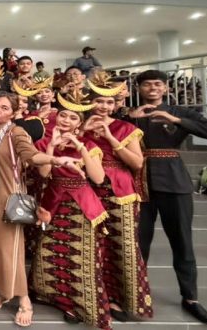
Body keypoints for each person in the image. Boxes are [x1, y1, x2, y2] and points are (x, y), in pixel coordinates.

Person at [0, 92, 81, 327]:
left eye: (5, 108)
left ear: (14, 113)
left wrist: (57, 160)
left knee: (9, 249)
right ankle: (2, 290)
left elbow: (31, 155)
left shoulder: (15, 132)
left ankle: (24, 300)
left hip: (6, 199)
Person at [128, 70, 207, 324]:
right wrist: (129, 120)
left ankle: (191, 299)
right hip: (139, 184)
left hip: (175, 183)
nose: (152, 88)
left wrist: (174, 119)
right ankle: (136, 297)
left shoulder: (182, 113)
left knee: (183, 243)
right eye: (146, 85)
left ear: (165, 88)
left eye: (157, 84)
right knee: (139, 244)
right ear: (139, 89)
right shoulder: (130, 115)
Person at [30, 90, 110, 327]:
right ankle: (49, 294)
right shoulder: (44, 142)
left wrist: (80, 147)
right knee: (49, 250)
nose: (66, 121)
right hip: (52, 200)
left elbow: (97, 178)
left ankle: (76, 303)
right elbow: (44, 173)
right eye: (63, 115)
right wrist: (52, 148)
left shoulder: (88, 144)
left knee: (79, 254)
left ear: (80, 123)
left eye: (73, 118)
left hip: (81, 204)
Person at [85, 73, 153, 322]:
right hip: (88, 190)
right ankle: (92, 296)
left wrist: (110, 137)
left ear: (115, 105)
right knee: (91, 246)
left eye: (108, 102)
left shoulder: (126, 128)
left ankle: (116, 298)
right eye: (98, 101)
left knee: (119, 245)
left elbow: (136, 163)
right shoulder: (82, 127)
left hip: (119, 192)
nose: (103, 106)